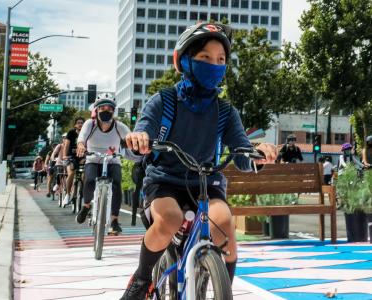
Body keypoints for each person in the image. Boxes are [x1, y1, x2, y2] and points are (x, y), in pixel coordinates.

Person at [120, 23, 277, 299]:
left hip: (206, 184)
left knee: (224, 223)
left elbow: (241, 152)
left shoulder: (226, 111)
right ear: (183, 61)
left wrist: (257, 154)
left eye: (221, 60)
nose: (214, 65)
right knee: (170, 219)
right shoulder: (163, 101)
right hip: (164, 181)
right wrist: (139, 139)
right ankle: (142, 280)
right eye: (205, 58)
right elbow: (141, 134)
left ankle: (211, 286)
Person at [75, 94, 132, 235]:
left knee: (117, 183)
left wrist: (136, 145)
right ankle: (87, 205)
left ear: (114, 111)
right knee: (89, 180)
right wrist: (81, 146)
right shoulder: (90, 124)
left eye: (109, 108)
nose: (106, 110)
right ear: (96, 109)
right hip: (93, 159)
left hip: (112, 160)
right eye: (102, 107)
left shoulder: (119, 127)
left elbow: (131, 138)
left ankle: (114, 221)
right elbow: (81, 139)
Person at [63, 117, 85, 205]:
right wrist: (64, 155)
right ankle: (68, 195)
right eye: (78, 122)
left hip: (83, 156)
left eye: (82, 122)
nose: (80, 124)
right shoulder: (71, 133)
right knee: (71, 173)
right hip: (71, 157)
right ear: (75, 124)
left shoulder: (86, 132)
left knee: (85, 175)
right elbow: (66, 145)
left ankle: (84, 194)